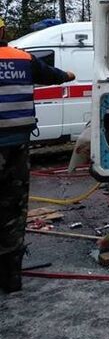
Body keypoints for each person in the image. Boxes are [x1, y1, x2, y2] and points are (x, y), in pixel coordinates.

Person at [1, 17, 75, 293]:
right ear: (3, 31)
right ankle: (11, 277)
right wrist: (69, 74)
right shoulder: (21, 59)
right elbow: (55, 76)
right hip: (16, 146)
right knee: (13, 209)